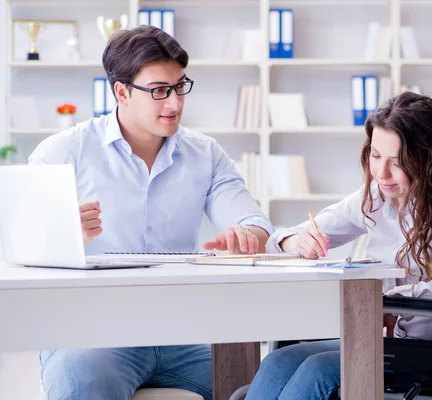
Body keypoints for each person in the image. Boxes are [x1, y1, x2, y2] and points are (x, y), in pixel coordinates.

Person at [29, 25, 274, 400]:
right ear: (121, 92)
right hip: (92, 334)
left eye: (180, 87)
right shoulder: (64, 152)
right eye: (159, 91)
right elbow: (19, 243)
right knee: (87, 377)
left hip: (184, 334)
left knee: (269, 381)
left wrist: (244, 237)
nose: (174, 103)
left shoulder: (204, 154)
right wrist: (61, 236)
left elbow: (254, 224)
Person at [244, 91, 432, 400]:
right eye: (376, 156)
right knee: (278, 361)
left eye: (397, 162)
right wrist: (293, 239)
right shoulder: (376, 196)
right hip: (395, 343)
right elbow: (281, 239)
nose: (381, 173)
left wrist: (396, 298)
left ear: (427, 158)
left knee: (317, 370)